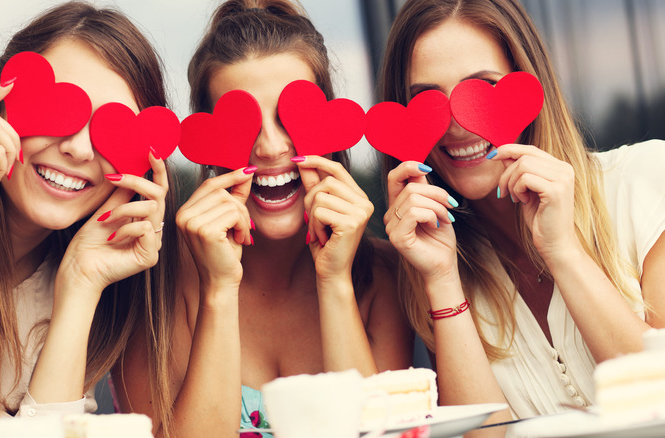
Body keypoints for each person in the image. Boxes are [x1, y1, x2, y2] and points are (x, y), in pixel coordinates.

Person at [113, 1, 412, 437]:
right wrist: (218, 289)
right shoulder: (152, 280)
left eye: (291, 119)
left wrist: (335, 282)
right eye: (245, 123)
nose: (271, 148)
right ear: (209, 141)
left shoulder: (384, 274)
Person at [0, 2, 174, 436]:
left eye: (113, 130)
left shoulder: (93, 286)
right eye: (58, 109)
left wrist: (81, 285)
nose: (79, 149)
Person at [378, 0, 665, 426]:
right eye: (428, 101)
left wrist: (563, 251)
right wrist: (442, 280)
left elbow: (658, 396)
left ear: (527, 87)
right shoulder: (430, 260)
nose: (458, 124)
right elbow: (483, 436)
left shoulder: (647, 181)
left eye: (482, 88)